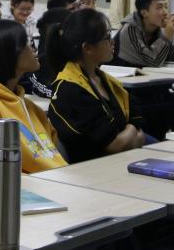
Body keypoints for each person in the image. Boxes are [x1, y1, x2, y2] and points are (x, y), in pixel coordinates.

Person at [0, 20, 67, 182]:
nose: (34, 49)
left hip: (62, 182)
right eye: (27, 44)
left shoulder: (28, 106)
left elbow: (56, 155)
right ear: (9, 54)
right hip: (30, 192)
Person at [46, 9, 145, 163]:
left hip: (121, 159)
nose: (112, 42)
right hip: (93, 166)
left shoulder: (103, 79)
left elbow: (136, 115)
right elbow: (115, 145)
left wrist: (131, 134)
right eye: (107, 37)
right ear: (87, 48)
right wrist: (133, 128)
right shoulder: (70, 89)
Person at [116, 0, 174, 67]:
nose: (165, 12)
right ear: (144, 13)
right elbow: (153, 63)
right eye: (159, 7)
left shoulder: (162, 28)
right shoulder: (129, 29)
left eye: (166, 7)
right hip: (122, 75)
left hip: (152, 75)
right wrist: (166, 37)